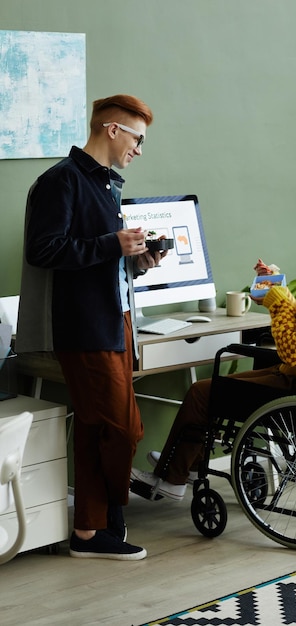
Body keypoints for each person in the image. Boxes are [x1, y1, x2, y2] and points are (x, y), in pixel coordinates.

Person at [16, 94, 167, 560]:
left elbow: (100, 258)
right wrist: (110, 244)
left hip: (115, 318)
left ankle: (90, 528)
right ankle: (106, 517)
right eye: (137, 138)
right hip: (83, 327)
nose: (139, 149)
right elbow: (44, 251)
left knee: (95, 426)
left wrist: (138, 260)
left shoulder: (106, 185)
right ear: (112, 129)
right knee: (122, 429)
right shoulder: (60, 182)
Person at [131, 222, 296, 501]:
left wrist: (277, 302)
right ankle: (189, 466)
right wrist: (275, 288)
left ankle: (173, 478)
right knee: (213, 389)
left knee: (201, 393)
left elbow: (293, 351)